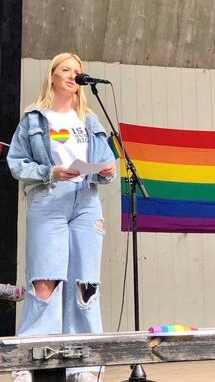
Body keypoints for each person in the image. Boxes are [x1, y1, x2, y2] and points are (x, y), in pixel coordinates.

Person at [7, 53, 116, 382]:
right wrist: (50, 171)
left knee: (86, 285)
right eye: (65, 70)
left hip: (86, 200)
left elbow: (107, 164)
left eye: (77, 72)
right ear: (52, 76)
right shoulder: (34, 119)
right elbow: (16, 163)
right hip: (49, 198)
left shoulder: (90, 119)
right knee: (45, 282)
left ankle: (83, 365)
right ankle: (26, 361)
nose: (72, 75)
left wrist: (106, 169)